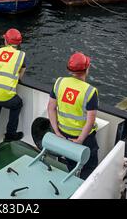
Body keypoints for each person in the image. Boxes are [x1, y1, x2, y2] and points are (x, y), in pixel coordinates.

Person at [47, 52, 99, 180]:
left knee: (71, 162)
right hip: (84, 139)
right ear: (87, 69)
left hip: (64, 134)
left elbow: (51, 108)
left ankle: (73, 182)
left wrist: (57, 131)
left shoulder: (59, 82)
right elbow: (90, 122)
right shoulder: (90, 91)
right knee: (90, 166)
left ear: (69, 69)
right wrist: (80, 140)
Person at [0, 29, 27, 167]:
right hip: (6, 94)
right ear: (18, 43)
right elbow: (20, 77)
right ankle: (10, 133)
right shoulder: (21, 56)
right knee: (18, 103)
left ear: (6, 41)